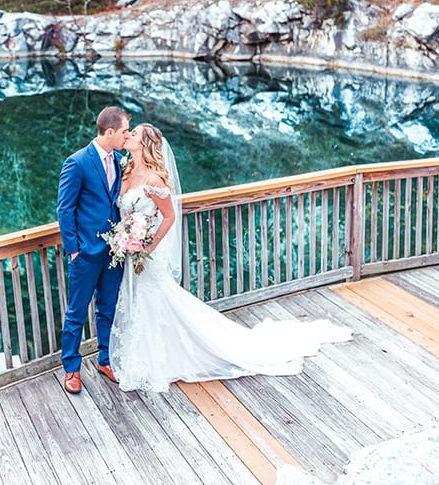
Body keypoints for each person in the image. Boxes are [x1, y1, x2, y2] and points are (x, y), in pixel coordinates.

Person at [110, 123, 352, 393]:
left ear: (145, 144)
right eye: (129, 132)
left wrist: (149, 244)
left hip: (149, 253)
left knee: (154, 299)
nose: (128, 135)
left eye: (134, 134)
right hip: (132, 250)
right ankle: (141, 357)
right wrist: (127, 237)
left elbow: (169, 216)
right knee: (140, 298)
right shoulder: (126, 170)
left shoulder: (154, 180)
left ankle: (155, 361)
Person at [57, 106, 130, 394]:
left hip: (116, 253)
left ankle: (105, 359)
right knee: (76, 313)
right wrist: (74, 250)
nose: (127, 136)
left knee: (108, 308)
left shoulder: (123, 161)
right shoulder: (77, 162)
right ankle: (72, 369)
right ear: (109, 132)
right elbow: (65, 209)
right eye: (124, 131)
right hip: (86, 253)